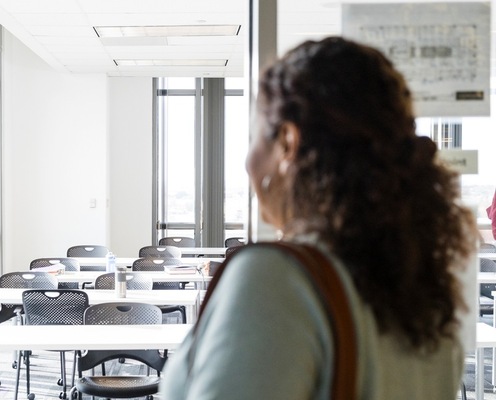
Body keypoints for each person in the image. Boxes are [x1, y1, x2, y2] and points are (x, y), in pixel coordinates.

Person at [161, 37, 478, 399]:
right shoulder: (423, 289)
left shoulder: (277, 279)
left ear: (287, 143)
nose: (247, 162)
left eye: (254, 138)